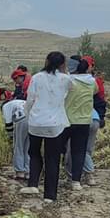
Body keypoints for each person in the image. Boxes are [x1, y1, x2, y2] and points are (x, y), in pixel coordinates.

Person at [21, 52, 73, 203]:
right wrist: (64, 71)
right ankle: (50, 195)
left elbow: (30, 99)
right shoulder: (65, 79)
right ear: (62, 64)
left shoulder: (37, 77)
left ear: (46, 61)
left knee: (34, 153)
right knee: (52, 158)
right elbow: (69, 89)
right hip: (55, 124)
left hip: (36, 122)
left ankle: (33, 184)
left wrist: (28, 113)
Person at [63, 57, 99, 191]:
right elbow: (95, 92)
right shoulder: (92, 82)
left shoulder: (69, 81)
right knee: (80, 152)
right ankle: (76, 182)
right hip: (85, 121)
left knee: (60, 149)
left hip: (67, 120)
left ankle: (60, 177)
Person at [2, 94, 29, 179]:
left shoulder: (5, 106)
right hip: (33, 119)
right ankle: (28, 172)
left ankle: (20, 172)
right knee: (28, 147)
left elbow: (8, 124)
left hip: (21, 119)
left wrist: (11, 137)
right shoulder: (19, 102)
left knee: (19, 146)